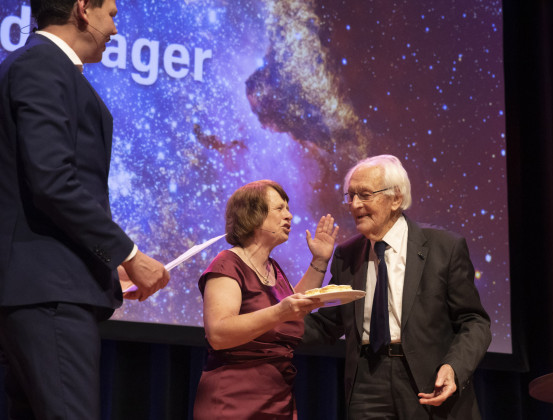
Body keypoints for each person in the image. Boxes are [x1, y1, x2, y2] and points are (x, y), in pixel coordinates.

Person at [0, 0, 170, 418]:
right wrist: (128, 256)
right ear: (83, 10)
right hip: (49, 292)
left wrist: (100, 264)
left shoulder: (36, 66)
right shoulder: (42, 66)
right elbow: (52, 182)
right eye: (111, 14)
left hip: (43, 288)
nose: (114, 29)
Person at [303, 155, 491, 419]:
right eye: (351, 195)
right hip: (367, 382)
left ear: (396, 199)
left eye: (365, 195)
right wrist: (269, 325)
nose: (355, 204)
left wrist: (454, 367)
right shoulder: (346, 254)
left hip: (427, 378)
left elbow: (474, 321)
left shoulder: (443, 247)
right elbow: (329, 323)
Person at [192, 180, 339, 419]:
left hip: (277, 399)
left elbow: (296, 308)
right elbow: (218, 334)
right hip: (233, 401)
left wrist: (320, 261)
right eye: (279, 209)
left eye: (288, 209)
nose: (289, 216)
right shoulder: (227, 263)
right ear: (253, 215)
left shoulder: (274, 270)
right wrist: (280, 312)